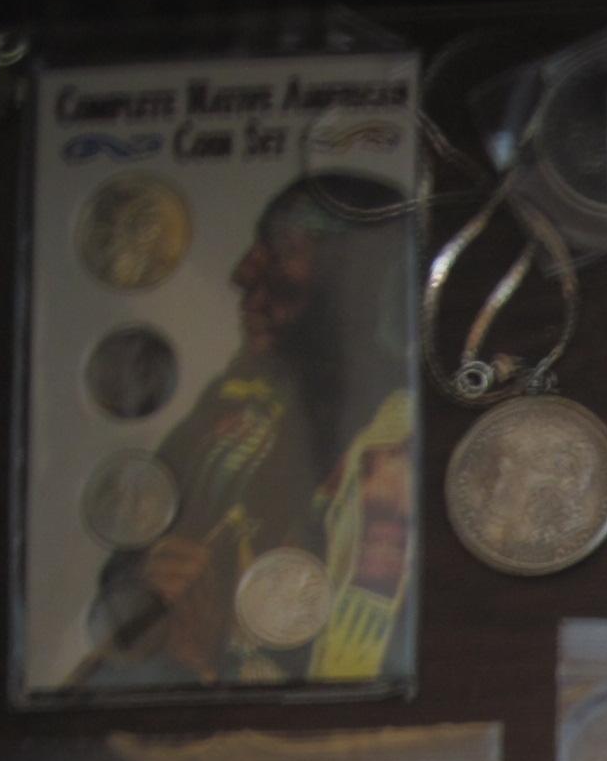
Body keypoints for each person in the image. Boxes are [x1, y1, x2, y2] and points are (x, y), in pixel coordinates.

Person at [78, 172, 410, 689]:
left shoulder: (394, 455)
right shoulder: (238, 400)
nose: (244, 286)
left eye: (282, 279)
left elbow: (359, 673)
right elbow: (126, 563)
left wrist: (204, 664)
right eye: (255, 266)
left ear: (357, 296)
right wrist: (149, 583)